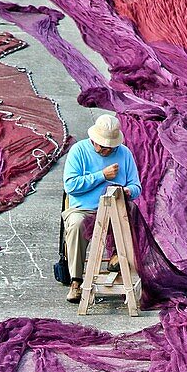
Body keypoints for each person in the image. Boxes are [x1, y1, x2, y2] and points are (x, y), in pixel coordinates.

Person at [61, 114, 141, 303]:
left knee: (133, 215)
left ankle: (119, 259)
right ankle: (76, 280)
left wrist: (127, 191)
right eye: (103, 147)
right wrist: (102, 175)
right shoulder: (79, 151)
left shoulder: (124, 153)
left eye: (111, 147)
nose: (107, 151)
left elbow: (136, 187)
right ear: (93, 140)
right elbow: (70, 186)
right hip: (84, 209)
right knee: (76, 224)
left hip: (116, 208)